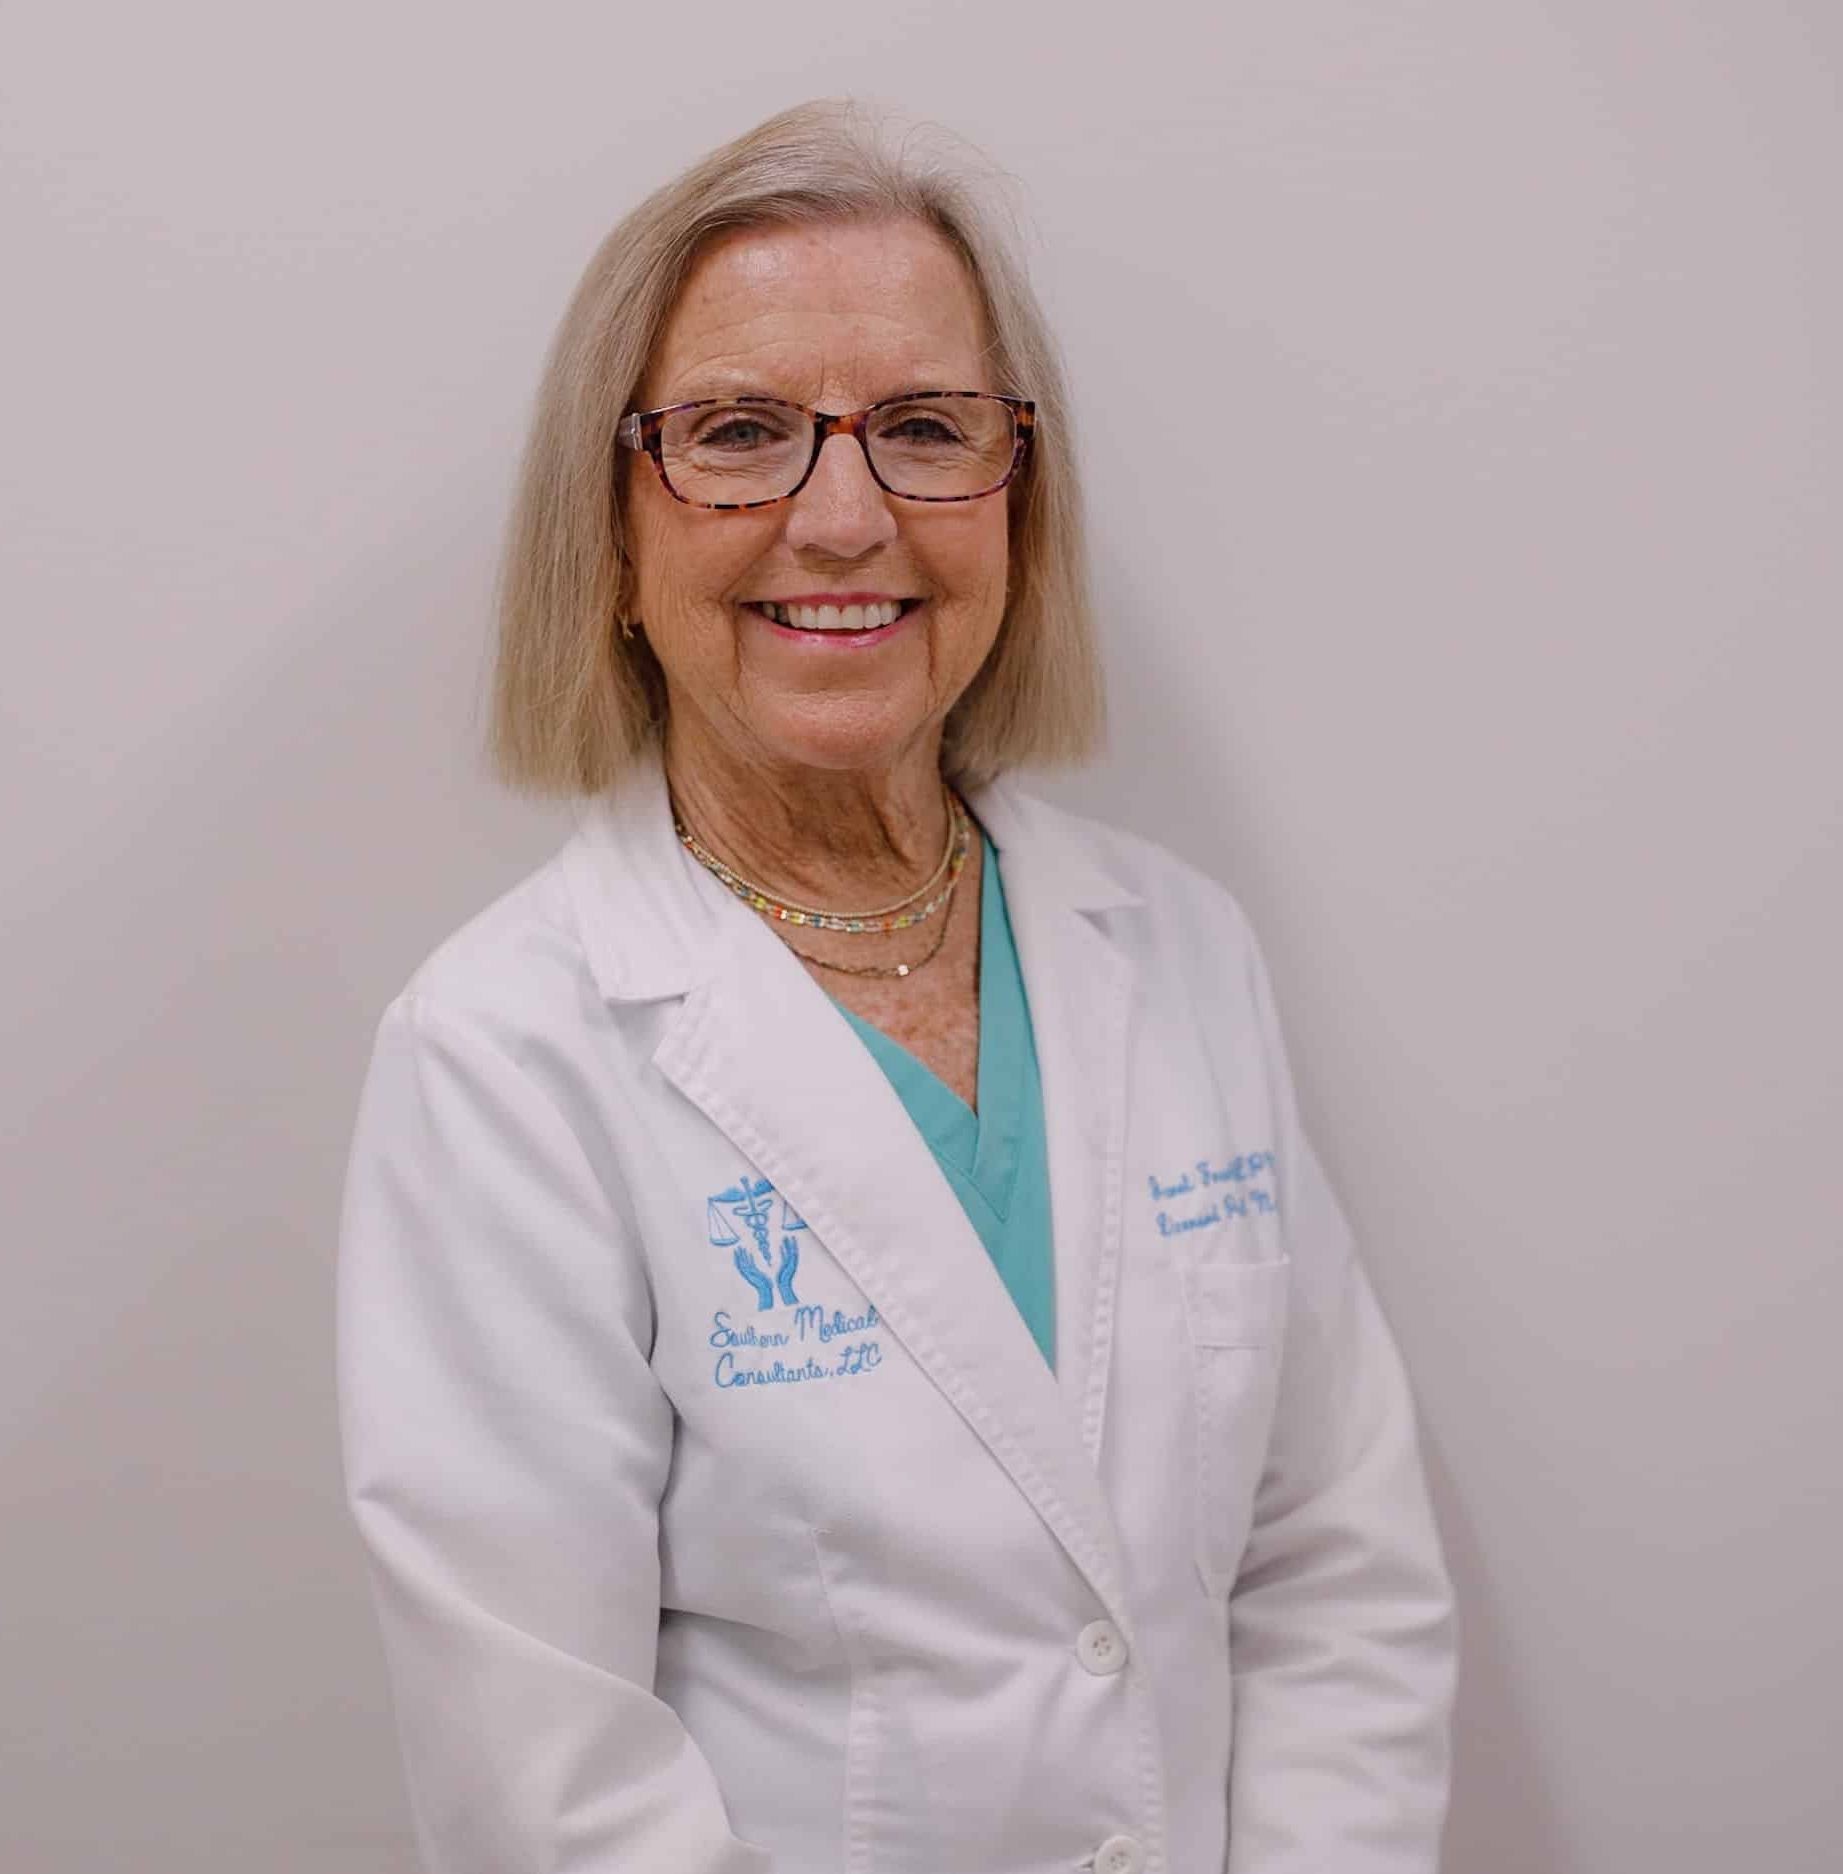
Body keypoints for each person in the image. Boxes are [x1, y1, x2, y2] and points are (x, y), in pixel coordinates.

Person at [337, 100, 1456, 1874]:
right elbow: (548, 1782)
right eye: (738, 433)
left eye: (925, 429)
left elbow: (1335, 1567)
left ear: (1019, 500)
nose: (843, 518)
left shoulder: (1178, 951)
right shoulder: (505, 1057)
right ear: (613, 532)